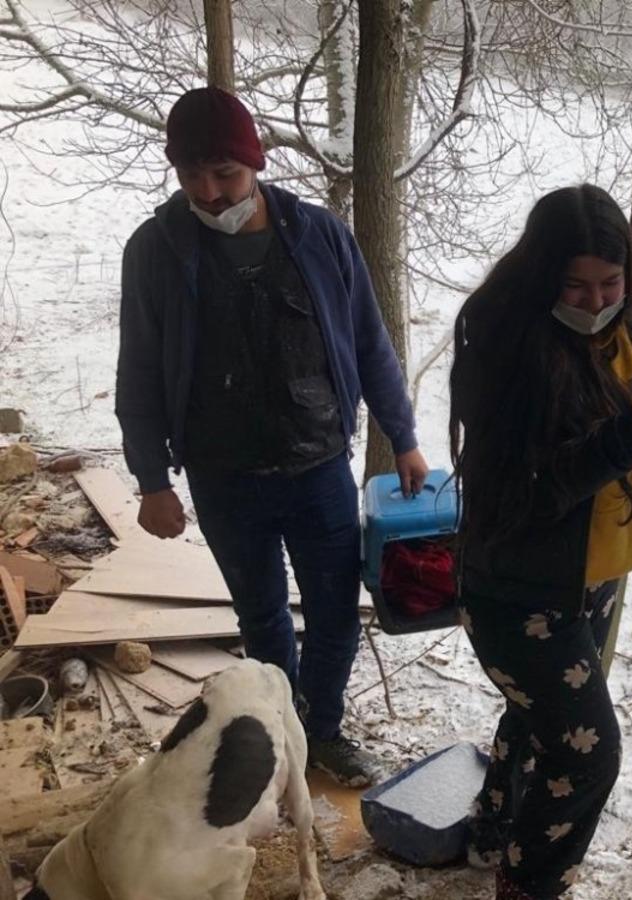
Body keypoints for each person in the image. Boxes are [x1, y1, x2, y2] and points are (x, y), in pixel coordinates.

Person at [115, 86, 428, 787]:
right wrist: (151, 479)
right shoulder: (155, 252)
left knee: (335, 613)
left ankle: (321, 731)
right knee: (261, 620)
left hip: (316, 466)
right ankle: (278, 733)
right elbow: (137, 368)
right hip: (223, 477)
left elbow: (368, 341)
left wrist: (402, 434)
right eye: (192, 175)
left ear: (254, 162)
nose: (209, 190)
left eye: (224, 173)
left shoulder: (318, 235)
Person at [449, 184, 632, 899]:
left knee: (538, 722)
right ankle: (528, 885)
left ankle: (493, 831)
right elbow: (523, 493)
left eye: (609, 283)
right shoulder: (504, 340)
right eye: (576, 285)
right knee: (588, 756)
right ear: (542, 278)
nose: (596, 302)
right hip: (515, 586)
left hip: (594, 576)